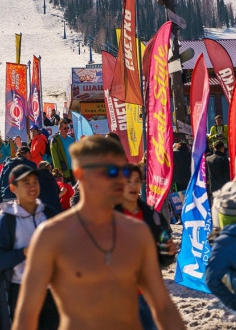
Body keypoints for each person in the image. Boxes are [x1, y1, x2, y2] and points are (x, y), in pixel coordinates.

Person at [12, 135, 185, 329]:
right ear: (79, 173)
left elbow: (162, 304)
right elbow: (27, 311)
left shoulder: (138, 230)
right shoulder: (52, 235)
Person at [0, 165, 60, 329]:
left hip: (51, 291)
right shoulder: (8, 221)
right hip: (21, 291)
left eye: (35, 182)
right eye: (26, 183)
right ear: (13, 188)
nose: (32, 186)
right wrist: (25, 252)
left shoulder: (49, 214)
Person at [115, 163, 179, 330]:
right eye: (128, 181)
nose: (133, 185)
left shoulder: (153, 217)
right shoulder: (107, 218)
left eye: (137, 181)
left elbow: (163, 259)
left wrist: (168, 252)